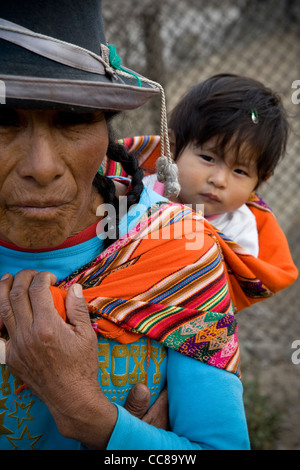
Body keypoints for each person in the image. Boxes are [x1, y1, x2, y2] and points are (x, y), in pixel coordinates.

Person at [0, 0, 250, 450]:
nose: (42, 166)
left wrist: (86, 412)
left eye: (73, 120)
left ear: (106, 130)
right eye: (2, 121)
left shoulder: (176, 251)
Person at [112, 75, 297, 312]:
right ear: (174, 148)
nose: (219, 180)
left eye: (240, 171)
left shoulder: (239, 230)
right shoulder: (140, 192)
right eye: (208, 158)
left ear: (259, 181)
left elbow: (220, 293)